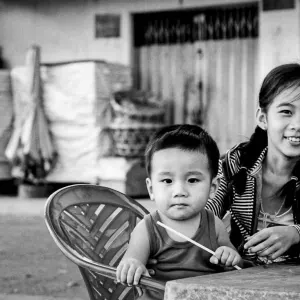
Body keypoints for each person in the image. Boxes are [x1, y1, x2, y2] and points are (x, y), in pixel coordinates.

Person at [116, 124, 242, 286]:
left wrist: (229, 256)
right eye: (167, 181)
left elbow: (234, 260)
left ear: (212, 188)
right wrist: (133, 265)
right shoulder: (147, 229)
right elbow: (131, 260)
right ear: (151, 189)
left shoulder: (214, 225)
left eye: (192, 180)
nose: (180, 191)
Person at [206, 63, 300, 265]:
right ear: (263, 118)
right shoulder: (236, 163)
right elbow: (204, 214)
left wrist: (296, 233)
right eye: (286, 111)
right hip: (240, 280)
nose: (298, 125)